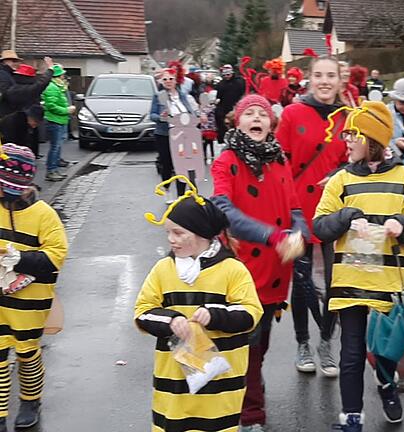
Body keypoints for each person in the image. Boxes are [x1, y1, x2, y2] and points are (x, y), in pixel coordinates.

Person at [314, 100, 404, 431]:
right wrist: (347, 216)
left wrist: (402, 225)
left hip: (391, 284)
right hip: (350, 282)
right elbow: (320, 225)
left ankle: (387, 385)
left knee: (385, 350)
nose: (346, 140)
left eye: (353, 133)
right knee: (351, 353)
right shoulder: (341, 181)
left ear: (372, 139)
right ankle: (352, 416)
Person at [210, 94, 307, 432]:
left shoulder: (279, 160)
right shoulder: (226, 161)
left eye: (262, 114)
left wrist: (300, 234)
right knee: (248, 342)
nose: (256, 118)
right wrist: (273, 236)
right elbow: (224, 211)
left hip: (278, 270)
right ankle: (252, 414)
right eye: (248, 113)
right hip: (242, 268)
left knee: (261, 340)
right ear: (237, 122)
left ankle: (250, 380)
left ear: (271, 123)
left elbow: (294, 208)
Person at [135, 183, 263, 432]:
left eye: (178, 233)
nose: (172, 240)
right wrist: (170, 320)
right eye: (168, 233)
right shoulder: (163, 269)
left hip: (220, 387)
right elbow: (142, 311)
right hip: (173, 386)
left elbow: (250, 312)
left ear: (201, 233)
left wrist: (215, 315)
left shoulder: (231, 269)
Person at [275, 56, 347, 377]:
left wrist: (340, 172)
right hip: (298, 211)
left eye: (331, 75)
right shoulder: (292, 113)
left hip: (335, 211)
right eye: (319, 75)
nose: (324, 81)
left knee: (336, 282)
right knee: (302, 282)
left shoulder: (349, 117)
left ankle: (326, 342)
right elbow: (279, 163)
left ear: (340, 80)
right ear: (309, 79)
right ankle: (303, 342)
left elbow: (356, 160)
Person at [0, 143, 67, 432]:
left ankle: (30, 399)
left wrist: (20, 259)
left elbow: (55, 255)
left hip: (31, 297)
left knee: (27, 351)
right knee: (0, 354)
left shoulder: (44, 214)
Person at [150, 69, 201, 201]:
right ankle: (167, 190)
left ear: (176, 80)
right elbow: (152, 115)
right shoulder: (159, 96)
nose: (168, 82)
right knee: (167, 164)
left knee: (182, 165)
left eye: (171, 79)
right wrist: (161, 118)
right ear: (161, 81)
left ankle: (181, 195)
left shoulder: (182, 95)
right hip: (164, 135)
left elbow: (190, 111)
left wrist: (196, 117)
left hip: (183, 134)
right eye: (165, 79)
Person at [41, 65, 75, 182]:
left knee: (57, 146)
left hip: (59, 120)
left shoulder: (57, 86)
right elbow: (51, 106)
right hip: (54, 120)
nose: (64, 76)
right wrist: (67, 110)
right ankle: (51, 171)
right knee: (55, 147)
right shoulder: (52, 87)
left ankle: (54, 170)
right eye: (62, 74)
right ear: (58, 75)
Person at [214, 64, 246, 143]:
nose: (227, 76)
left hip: (236, 105)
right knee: (221, 120)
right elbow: (218, 96)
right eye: (225, 75)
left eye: (228, 74)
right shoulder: (221, 84)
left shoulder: (239, 81)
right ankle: (223, 138)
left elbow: (242, 91)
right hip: (224, 106)